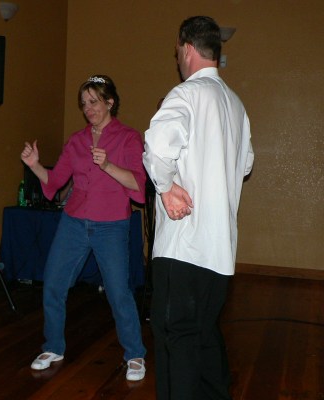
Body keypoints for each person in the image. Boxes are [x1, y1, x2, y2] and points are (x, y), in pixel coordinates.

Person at [143, 16, 254, 399]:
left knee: (175, 337)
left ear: (187, 48)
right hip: (219, 251)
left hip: (184, 247)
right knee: (204, 334)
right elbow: (246, 164)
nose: (177, 56)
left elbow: (157, 146)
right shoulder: (236, 105)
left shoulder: (186, 94)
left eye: (178, 49)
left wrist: (166, 187)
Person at [21, 75, 147, 381]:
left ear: (110, 102)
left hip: (112, 226)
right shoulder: (76, 141)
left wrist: (107, 165)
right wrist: (35, 165)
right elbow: (55, 182)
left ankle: (135, 354)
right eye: (83, 103)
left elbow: (138, 185)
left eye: (94, 101)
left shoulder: (129, 138)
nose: (88, 108)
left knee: (118, 292)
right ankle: (53, 347)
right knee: (53, 284)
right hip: (74, 222)